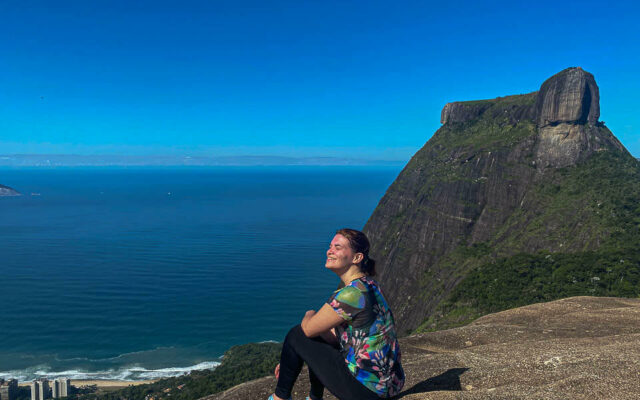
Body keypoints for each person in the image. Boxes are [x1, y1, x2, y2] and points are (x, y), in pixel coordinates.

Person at [268, 228, 405, 400]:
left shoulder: (351, 294)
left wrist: (309, 313)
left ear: (357, 258)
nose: (329, 250)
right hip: (389, 385)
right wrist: (292, 359)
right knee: (316, 336)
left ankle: (279, 397)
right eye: (330, 246)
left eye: (337, 247)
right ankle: (314, 398)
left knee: (297, 334)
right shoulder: (369, 285)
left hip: (369, 391)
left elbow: (308, 329)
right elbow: (333, 336)